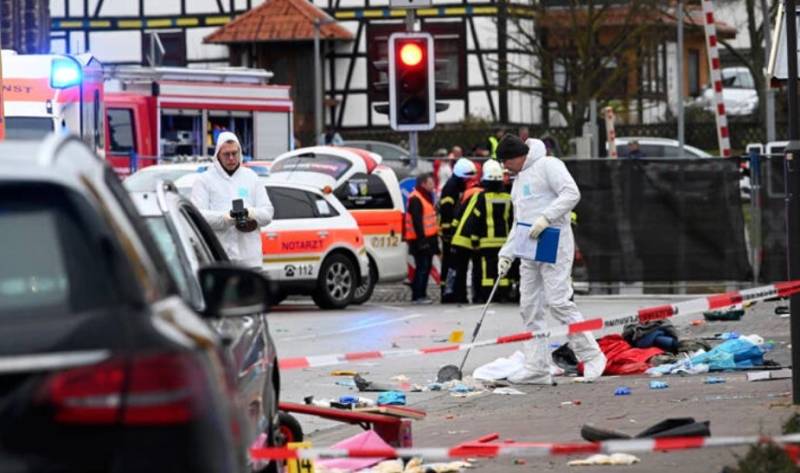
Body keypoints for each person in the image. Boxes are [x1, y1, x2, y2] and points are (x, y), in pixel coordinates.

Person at [495, 135, 606, 384]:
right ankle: (537, 366)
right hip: (528, 247)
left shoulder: (548, 165)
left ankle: (592, 355)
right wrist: (506, 253)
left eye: (505, 161)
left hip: (554, 242)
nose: (505, 167)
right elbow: (518, 222)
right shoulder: (518, 181)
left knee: (559, 302)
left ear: (517, 156)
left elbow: (571, 193)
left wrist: (546, 218)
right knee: (529, 306)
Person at [191, 132, 274, 268]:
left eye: (234, 153)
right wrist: (226, 218)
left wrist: (249, 213)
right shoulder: (204, 180)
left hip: (250, 261)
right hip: (218, 260)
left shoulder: (251, 178)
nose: (231, 158)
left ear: (240, 152)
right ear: (218, 154)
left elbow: (268, 214)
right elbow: (198, 217)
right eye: (226, 154)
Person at [450, 160, 513, 303]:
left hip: (486, 241)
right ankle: (503, 294)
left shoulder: (482, 197)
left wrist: (474, 240)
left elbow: (476, 218)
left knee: (486, 270)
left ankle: (486, 296)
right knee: (502, 268)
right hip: (503, 240)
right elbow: (511, 219)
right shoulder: (508, 197)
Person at [438, 158, 477, 303]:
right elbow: (446, 212)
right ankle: (447, 293)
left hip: (452, 233)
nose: (468, 181)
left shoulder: (456, 186)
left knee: (452, 264)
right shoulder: (450, 189)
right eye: (467, 178)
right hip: (449, 234)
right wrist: (448, 233)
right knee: (449, 264)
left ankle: (451, 292)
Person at [404, 173, 439, 304]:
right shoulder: (416, 198)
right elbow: (417, 222)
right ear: (423, 184)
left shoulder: (425, 196)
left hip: (427, 239)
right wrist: (422, 241)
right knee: (422, 268)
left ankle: (422, 294)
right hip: (420, 240)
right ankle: (418, 295)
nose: (433, 186)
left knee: (425, 267)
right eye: (430, 183)